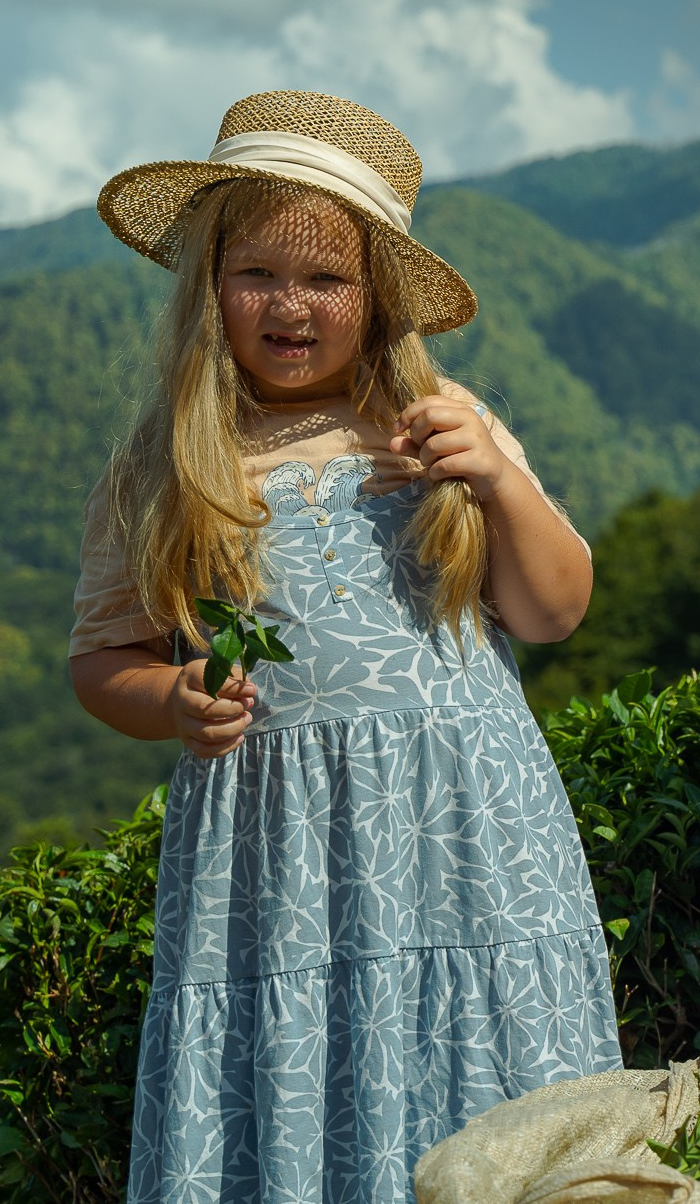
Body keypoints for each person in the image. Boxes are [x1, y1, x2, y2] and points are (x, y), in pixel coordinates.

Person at [68, 91, 619, 1202]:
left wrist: (498, 481)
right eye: (256, 274)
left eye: (327, 279)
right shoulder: (170, 467)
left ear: (374, 302)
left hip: (476, 844)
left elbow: (556, 611)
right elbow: (99, 660)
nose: (289, 305)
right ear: (207, 288)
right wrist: (172, 697)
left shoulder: (441, 427)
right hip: (277, 868)